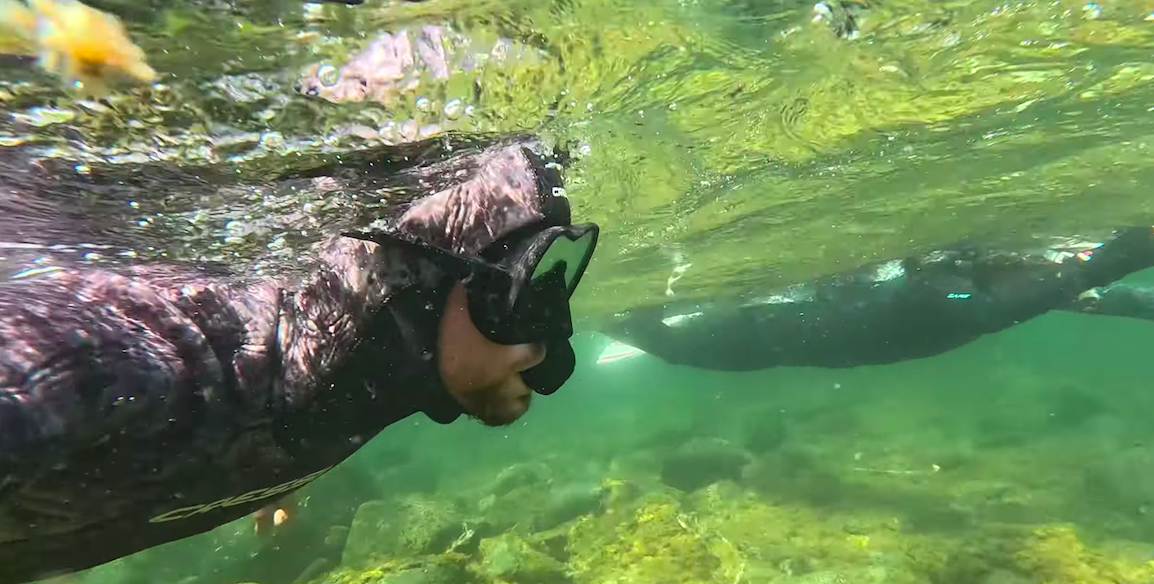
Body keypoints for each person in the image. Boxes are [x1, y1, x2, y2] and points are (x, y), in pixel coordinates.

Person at [0, 133, 599, 583]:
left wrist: (264, 473)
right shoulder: (160, 348)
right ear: (423, 281)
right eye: (524, 295)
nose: (545, 352)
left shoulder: (348, 383)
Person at [605, 226, 1154, 371]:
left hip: (782, 335)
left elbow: (1087, 280)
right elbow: (1097, 286)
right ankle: (621, 323)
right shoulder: (972, 293)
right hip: (802, 333)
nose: (1041, 264)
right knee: (677, 345)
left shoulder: (968, 298)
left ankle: (617, 321)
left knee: (678, 346)